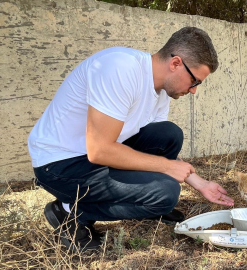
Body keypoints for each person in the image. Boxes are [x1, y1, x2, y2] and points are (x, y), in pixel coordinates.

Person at [28, 27, 234, 252]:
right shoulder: (119, 69)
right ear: (176, 63)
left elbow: (151, 151)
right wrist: (166, 167)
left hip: (92, 157)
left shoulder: (161, 90)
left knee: (168, 134)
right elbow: (99, 150)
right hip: (60, 164)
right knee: (167, 194)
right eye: (195, 81)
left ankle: (147, 201)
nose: (193, 90)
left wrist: (200, 183)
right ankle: (69, 213)